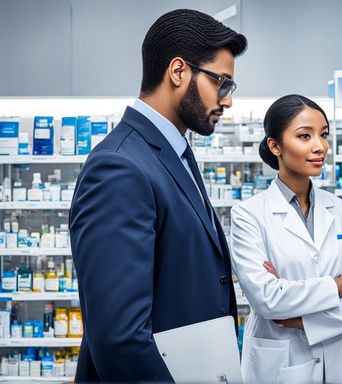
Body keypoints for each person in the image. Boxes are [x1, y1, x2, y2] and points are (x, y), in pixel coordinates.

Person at [69, 9, 247, 381]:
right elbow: (120, 340)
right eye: (223, 83)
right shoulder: (119, 168)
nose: (227, 100)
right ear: (179, 71)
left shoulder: (175, 153)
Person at [230, 94, 342, 383]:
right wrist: (337, 286)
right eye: (304, 136)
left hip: (335, 362)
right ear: (275, 146)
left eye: (323, 134)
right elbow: (268, 300)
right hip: (280, 365)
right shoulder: (249, 215)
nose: (319, 146)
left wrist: (303, 320)